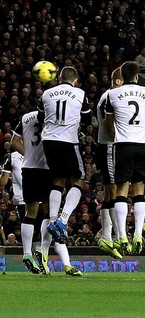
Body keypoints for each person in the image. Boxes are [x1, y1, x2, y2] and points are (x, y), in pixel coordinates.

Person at [39, 67, 92, 258]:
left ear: (59, 78)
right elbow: (87, 119)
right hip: (68, 141)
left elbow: (40, 118)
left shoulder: (46, 93)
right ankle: (62, 219)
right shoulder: (80, 93)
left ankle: (53, 219)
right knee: (79, 180)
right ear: (76, 80)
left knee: (58, 180)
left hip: (49, 141)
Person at [105, 62, 145, 255]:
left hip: (123, 144)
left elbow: (109, 124)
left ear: (122, 77)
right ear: (136, 76)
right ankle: (137, 234)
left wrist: (117, 137)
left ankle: (123, 236)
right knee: (139, 189)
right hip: (144, 144)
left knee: (121, 189)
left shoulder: (113, 94)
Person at [11, 111, 60, 276]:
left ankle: (26, 252)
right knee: (48, 210)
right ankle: (43, 250)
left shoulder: (26, 117)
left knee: (29, 212)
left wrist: (28, 155)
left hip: (28, 168)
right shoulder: (54, 115)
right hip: (47, 168)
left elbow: (14, 141)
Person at [95, 67, 124, 259]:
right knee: (114, 191)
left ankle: (107, 236)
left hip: (106, 146)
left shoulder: (108, 95)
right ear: (119, 81)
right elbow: (109, 125)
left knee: (109, 192)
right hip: (110, 146)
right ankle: (120, 236)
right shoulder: (110, 96)